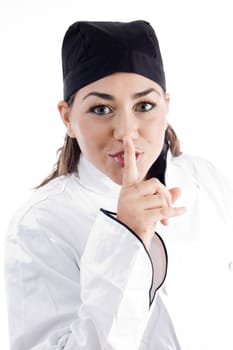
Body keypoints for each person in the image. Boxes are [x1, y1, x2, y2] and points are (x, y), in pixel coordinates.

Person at [4, 20, 233, 350]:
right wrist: (125, 236)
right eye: (101, 109)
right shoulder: (40, 225)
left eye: (144, 106)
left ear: (166, 106)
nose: (126, 131)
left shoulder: (205, 180)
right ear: (67, 117)